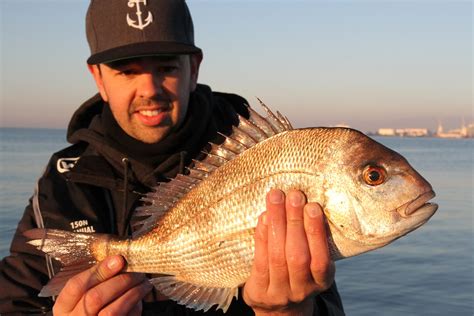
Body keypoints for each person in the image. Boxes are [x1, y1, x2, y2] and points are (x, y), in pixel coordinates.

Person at [0, 0, 345, 315]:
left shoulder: (256, 156)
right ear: (99, 79)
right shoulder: (64, 184)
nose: (150, 89)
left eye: (166, 67)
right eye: (127, 71)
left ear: (193, 68)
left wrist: (288, 312)